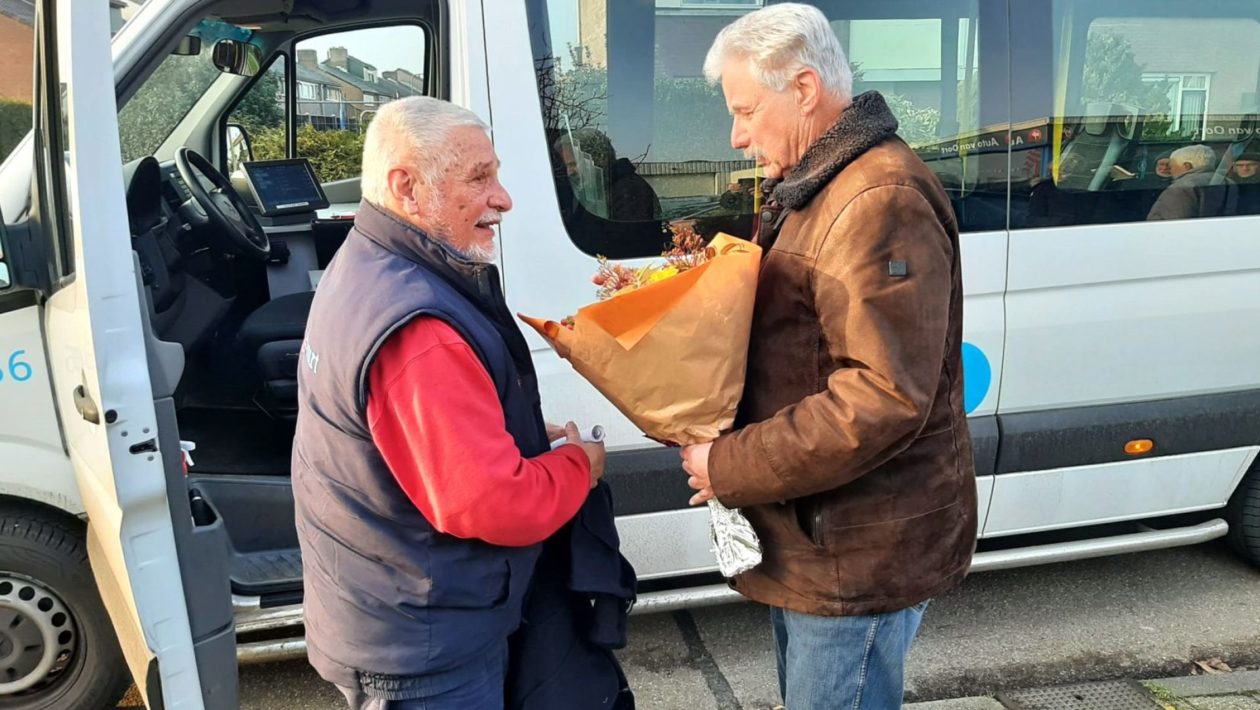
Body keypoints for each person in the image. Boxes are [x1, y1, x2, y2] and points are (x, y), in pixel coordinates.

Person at [679, 5, 977, 709]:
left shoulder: (878, 198)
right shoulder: (824, 184)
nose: (737, 134)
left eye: (746, 109)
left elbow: (882, 396)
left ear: (805, 89)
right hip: (821, 537)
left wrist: (729, 465)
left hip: (858, 552)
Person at [292, 96, 611, 709]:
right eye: (479, 178)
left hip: (393, 609)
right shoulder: (418, 327)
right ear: (407, 187)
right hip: (424, 648)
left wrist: (511, 431)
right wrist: (581, 465)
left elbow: (412, 437)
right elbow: (493, 502)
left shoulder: (366, 264)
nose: (504, 198)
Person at [1147, 144, 1235, 220]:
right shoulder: (1228, 182)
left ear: (1187, 166)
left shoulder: (1181, 188)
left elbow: (1175, 223)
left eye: (1172, 166)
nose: (1170, 169)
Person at [1229, 149, 1260, 215]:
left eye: (1251, 165)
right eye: (1240, 165)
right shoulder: (1227, 182)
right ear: (1234, 168)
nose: (1245, 168)